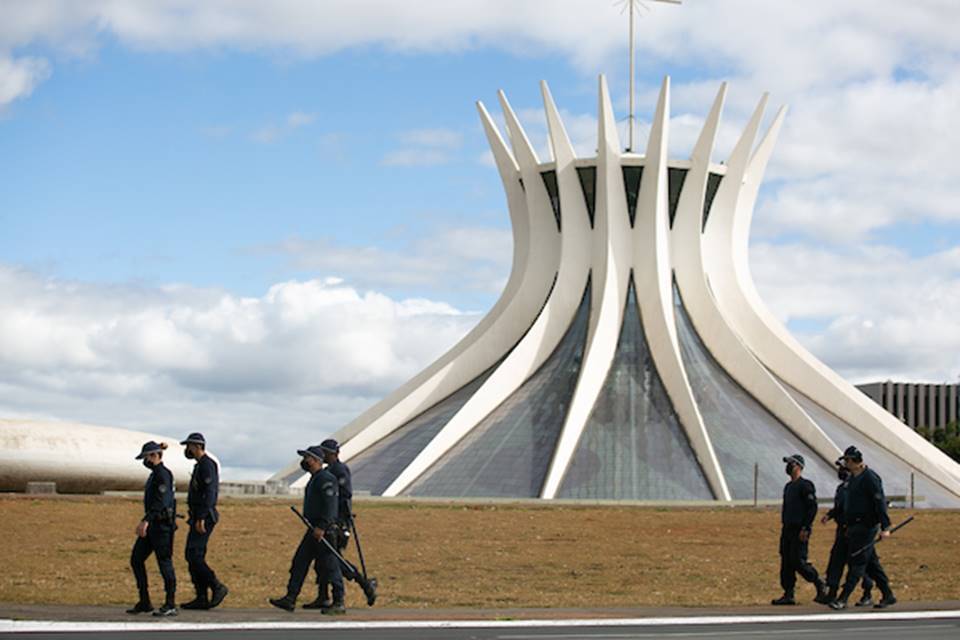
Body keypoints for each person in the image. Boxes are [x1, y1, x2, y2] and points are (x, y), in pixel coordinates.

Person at [269, 445, 340, 614]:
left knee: (331, 566)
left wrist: (322, 526)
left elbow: (330, 506)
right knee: (299, 562)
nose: (304, 461)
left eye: (307, 457)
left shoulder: (326, 479)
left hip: (323, 531)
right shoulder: (315, 478)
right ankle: (290, 598)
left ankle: (339, 601)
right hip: (312, 529)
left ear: (316, 460)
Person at [830, 446, 897, 610]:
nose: (845, 463)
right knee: (871, 564)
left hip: (866, 526)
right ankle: (888, 595)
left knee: (857, 562)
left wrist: (885, 526)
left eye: (847, 460)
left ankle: (843, 598)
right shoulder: (852, 478)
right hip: (854, 527)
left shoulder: (870, 478)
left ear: (855, 461)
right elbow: (849, 505)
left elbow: (879, 502)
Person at [179, 432, 229, 610]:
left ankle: (216, 586)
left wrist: (201, 518)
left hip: (204, 517)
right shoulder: (200, 465)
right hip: (197, 516)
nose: (188, 450)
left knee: (195, 555)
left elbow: (209, 493)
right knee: (191, 555)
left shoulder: (207, 465)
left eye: (189, 446)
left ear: (197, 446)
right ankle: (201, 596)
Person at [128, 441, 178, 617]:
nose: (145, 461)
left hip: (161, 526)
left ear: (155, 456)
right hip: (153, 525)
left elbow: (161, 501)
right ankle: (144, 601)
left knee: (164, 562)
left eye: (146, 457)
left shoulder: (163, 475)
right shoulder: (154, 475)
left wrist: (146, 520)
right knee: (136, 559)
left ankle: (170, 603)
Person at [772, 454, 829, 605]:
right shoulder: (788, 487)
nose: (788, 466)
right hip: (787, 528)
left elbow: (812, 508)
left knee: (798, 561)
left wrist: (806, 527)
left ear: (798, 466)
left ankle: (819, 583)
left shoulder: (805, 485)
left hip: (799, 529)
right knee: (786, 561)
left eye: (791, 464)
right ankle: (788, 593)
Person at [304, 438, 350, 613]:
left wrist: (332, 521)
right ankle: (323, 596)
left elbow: (343, 497)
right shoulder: (325, 472)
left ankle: (338, 598)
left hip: (333, 523)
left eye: (326, 453)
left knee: (332, 561)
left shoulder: (339, 471)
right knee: (322, 562)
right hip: (324, 521)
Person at [821, 457, 874, 606]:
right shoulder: (842, 488)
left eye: (844, 468)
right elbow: (840, 507)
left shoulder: (857, 486)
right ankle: (832, 592)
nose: (841, 471)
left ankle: (867, 591)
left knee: (858, 563)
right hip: (842, 529)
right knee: (836, 560)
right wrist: (830, 515)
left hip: (855, 530)